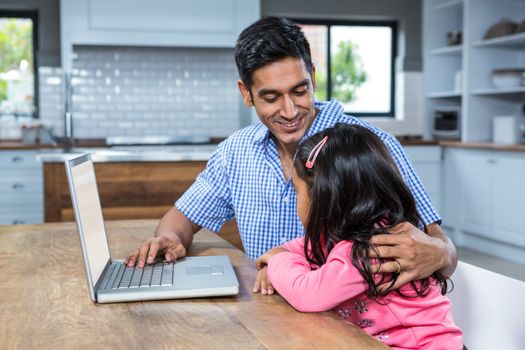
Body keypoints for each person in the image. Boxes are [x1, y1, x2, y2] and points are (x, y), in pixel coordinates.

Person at [124, 17, 457, 295]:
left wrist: (440, 253)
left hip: (359, 324)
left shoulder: (369, 146)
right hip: (269, 317)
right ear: (246, 93)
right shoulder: (236, 153)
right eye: (271, 97)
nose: (289, 110)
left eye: (300, 90)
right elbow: (179, 220)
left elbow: (442, 248)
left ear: (312, 75)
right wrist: (169, 240)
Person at [258, 123, 463, 349]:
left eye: (298, 192)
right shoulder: (347, 234)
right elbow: (300, 248)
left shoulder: (373, 248)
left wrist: (277, 260)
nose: (296, 202)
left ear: (324, 196)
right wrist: (282, 253)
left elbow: (308, 294)